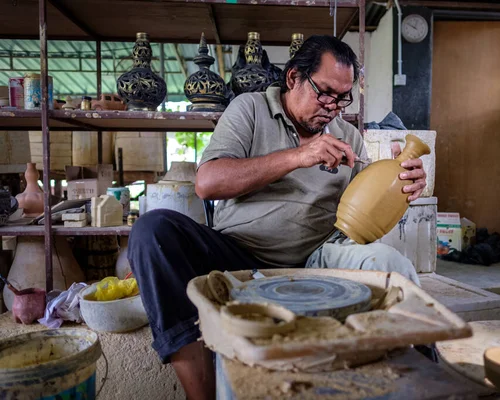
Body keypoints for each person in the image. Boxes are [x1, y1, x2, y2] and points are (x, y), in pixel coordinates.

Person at [128, 35, 426, 400]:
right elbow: (207, 183)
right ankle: (200, 392)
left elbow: (363, 216)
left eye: (344, 97)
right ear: (293, 79)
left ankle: (419, 379)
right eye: (325, 92)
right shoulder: (249, 108)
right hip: (236, 254)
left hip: (318, 256)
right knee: (152, 230)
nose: (334, 107)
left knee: (391, 264)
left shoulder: (347, 135)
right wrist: (298, 156)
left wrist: (401, 187)